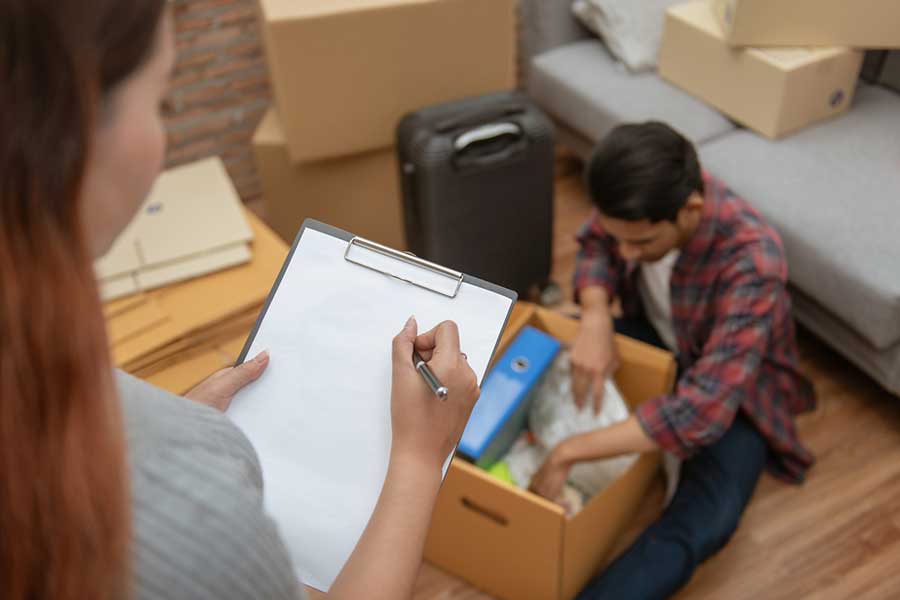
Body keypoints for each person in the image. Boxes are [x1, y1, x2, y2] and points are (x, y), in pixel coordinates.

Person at [0, 2, 480, 599]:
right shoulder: (188, 521)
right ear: (64, 134)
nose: (164, 139)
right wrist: (416, 456)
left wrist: (178, 419)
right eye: (161, 102)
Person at [528, 122, 816, 599]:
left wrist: (569, 451)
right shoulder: (637, 203)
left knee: (706, 520)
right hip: (659, 340)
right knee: (550, 340)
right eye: (620, 238)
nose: (626, 252)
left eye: (640, 244)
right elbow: (598, 243)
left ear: (691, 211)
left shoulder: (753, 262)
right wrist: (597, 316)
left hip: (734, 393)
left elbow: (700, 412)